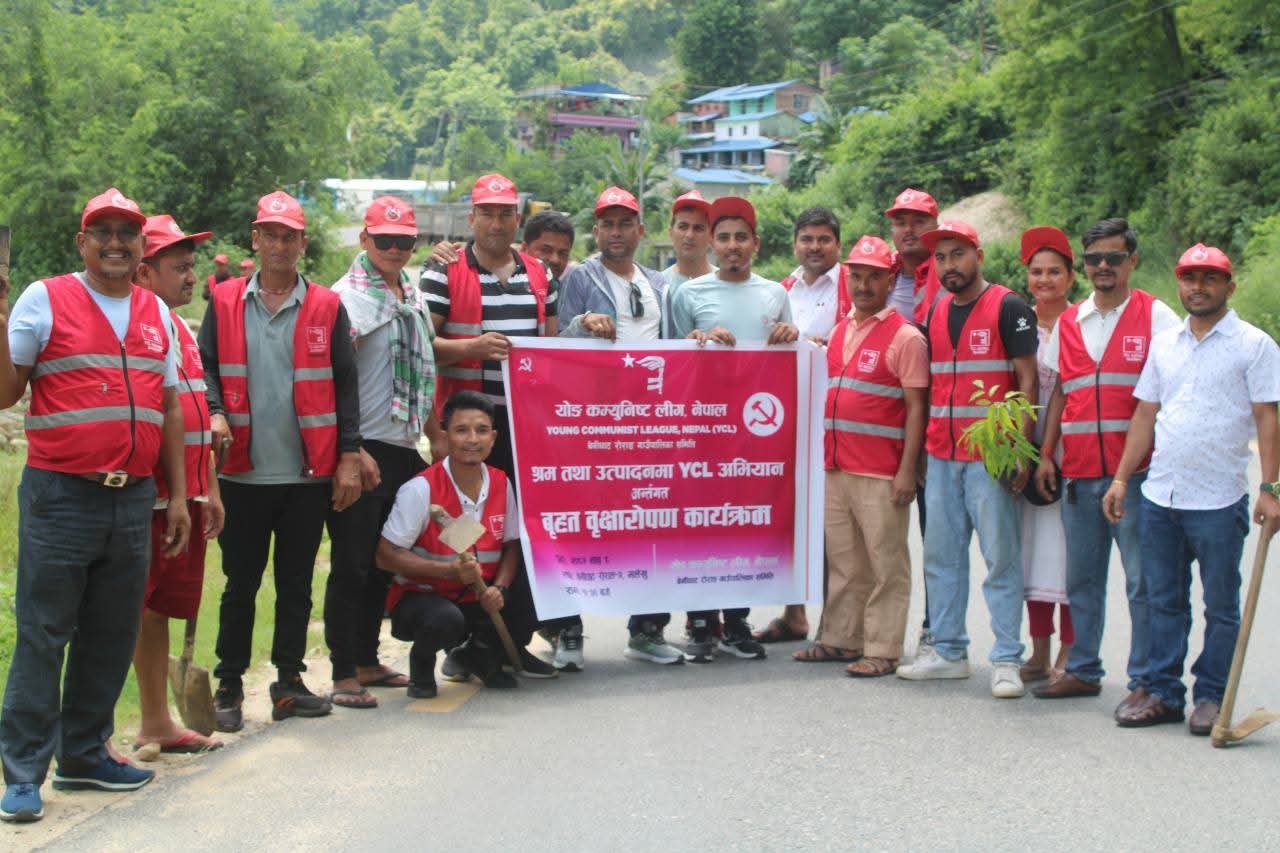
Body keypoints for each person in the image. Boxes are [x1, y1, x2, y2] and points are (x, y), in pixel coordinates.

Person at [0, 188, 190, 823]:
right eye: (102, 231)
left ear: (141, 245)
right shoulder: (43, 298)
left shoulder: (153, 312)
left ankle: (84, 754)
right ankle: (25, 772)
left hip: (133, 498)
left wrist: (179, 494)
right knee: (44, 633)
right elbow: (6, 394)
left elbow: (167, 406)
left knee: (110, 632)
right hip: (61, 495)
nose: (115, 241)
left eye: (126, 232)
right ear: (82, 242)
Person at [200, 190, 363, 732]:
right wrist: (216, 411)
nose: (277, 244)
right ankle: (228, 685)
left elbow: (345, 384)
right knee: (239, 583)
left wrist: (347, 456)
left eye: (288, 236)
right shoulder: (222, 301)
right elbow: (205, 371)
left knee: (295, 584)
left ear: (302, 244)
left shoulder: (325, 306)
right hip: (241, 471)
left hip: (305, 473)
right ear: (255, 240)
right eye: (268, 234)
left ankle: (288, 684)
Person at [1104, 244, 1280, 733]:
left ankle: (1211, 697)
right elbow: (1145, 413)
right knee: (1163, 599)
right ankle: (1161, 692)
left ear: (1229, 286)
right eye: (1189, 278)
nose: (1197, 287)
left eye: (1209, 278)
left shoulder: (1254, 345)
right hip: (1161, 495)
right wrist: (1121, 478)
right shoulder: (1166, 345)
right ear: (1178, 284)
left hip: (1220, 499)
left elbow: (1269, 418)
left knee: (1221, 604)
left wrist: (1271, 487)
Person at [1031, 218, 1181, 707]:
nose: (1103, 267)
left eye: (1113, 258)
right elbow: (1058, 395)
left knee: (1142, 581)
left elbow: (1172, 393)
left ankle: (1143, 678)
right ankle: (1083, 668)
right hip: (1078, 473)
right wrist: (1048, 454)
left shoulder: (1157, 318)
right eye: (1094, 258)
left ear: (1132, 261)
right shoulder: (1071, 321)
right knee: (1082, 579)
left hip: (1136, 477)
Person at [420, 173, 558, 678]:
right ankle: (466, 643)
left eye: (505, 213)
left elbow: (553, 345)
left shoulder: (541, 274)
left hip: (526, 433)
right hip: (468, 436)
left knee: (520, 536)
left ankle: (511, 640)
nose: (496, 222)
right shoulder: (443, 273)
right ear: (471, 217)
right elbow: (422, 345)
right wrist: (472, 348)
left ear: (517, 219)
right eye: (487, 212)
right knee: (467, 538)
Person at [895, 220, 1039, 699]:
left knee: (1000, 559)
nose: (948, 265)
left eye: (957, 254)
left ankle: (1005, 660)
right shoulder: (935, 310)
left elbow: (1027, 379)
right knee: (941, 557)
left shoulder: (1010, 306)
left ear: (976, 253)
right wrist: (920, 455)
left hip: (989, 458)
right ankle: (950, 652)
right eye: (940, 257)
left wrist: (1021, 449)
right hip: (941, 453)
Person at [668, 195, 799, 662]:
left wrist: (790, 336)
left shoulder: (774, 294)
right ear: (712, 243)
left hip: (753, 432)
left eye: (741, 237)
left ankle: (737, 620)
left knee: (743, 522)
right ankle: (701, 623)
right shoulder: (688, 293)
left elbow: (789, 358)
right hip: (703, 428)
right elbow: (673, 358)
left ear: (756, 244)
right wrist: (697, 340)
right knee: (702, 523)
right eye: (722, 237)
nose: (731, 246)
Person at [557, 186, 683, 667]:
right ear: (596, 231)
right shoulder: (579, 278)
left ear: (640, 230)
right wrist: (584, 324)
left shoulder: (658, 283)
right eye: (607, 224)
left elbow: (673, 348)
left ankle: (648, 630)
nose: (615, 232)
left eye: (624, 223)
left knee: (653, 526)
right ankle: (568, 632)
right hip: (594, 425)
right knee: (580, 526)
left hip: (650, 425)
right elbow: (558, 345)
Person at [324, 196, 441, 710]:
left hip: (401, 444)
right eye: (384, 240)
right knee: (350, 562)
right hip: (360, 446)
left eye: (404, 242)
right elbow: (326, 380)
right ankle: (343, 669)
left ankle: (369, 657)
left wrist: (434, 434)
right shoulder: (343, 300)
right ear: (364, 240)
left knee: (380, 561)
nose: (394, 250)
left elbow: (429, 367)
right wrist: (348, 449)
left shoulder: (410, 296)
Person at [795, 236, 927, 676]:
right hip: (836, 466)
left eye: (874, 276)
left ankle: (883, 649)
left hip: (880, 470)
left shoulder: (906, 337)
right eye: (857, 275)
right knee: (846, 562)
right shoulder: (838, 331)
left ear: (891, 280)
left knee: (887, 563)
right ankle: (840, 639)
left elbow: (916, 409)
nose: (864, 284)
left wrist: (908, 470)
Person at [130, 214, 225, 754]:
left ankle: (157, 721)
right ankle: (118, 727)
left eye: (192, 267)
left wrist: (207, 488)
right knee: (132, 608)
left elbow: (193, 416)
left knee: (161, 607)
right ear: (145, 272)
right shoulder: (139, 328)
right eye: (179, 268)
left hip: (183, 496)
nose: (190, 278)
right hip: (149, 499)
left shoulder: (179, 330)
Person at [376, 391, 542, 694]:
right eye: (461, 430)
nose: (472, 439)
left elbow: (511, 546)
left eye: (481, 430)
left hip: (478, 598)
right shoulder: (420, 489)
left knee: (536, 584)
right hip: (424, 600)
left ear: (493, 437)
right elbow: (386, 556)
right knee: (443, 619)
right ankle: (422, 665)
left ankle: (476, 653)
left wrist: (500, 588)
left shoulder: (501, 482)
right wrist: (449, 572)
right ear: (445, 435)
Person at [755, 206, 850, 647]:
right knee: (788, 515)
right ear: (795, 243)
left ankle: (837, 622)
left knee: (835, 524)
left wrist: (817, 346)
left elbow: (866, 338)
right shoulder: (780, 290)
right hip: (788, 418)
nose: (815, 247)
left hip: (838, 418)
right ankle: (794, 615)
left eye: (823, 239)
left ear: (837, 244)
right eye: (807, 239)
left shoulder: (855, 285)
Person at [1014, 227, 1075, 683]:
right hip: (1026, 451)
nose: (1045, 279)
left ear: (1071, 277)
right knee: (1032, 554)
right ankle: (1038, 650)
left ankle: (1070, 654)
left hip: (1071, 453)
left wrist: (1050, 450)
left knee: (1071, 557)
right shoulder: (1019, 323)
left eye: (1055, 271)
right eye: (1037, 271)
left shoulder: (1082, 324)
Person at [429, 209, 576, 282]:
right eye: (546, 250)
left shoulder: (575, 283)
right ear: (524, 248)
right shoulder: (452, 270)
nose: (556, 260)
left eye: (563, 253)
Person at [662, 190, 716, 301]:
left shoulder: (725, 284)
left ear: (711, 236)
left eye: (698, 228)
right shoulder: (657, 286)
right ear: (671, 232)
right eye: (683, 227)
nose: (690, 235)